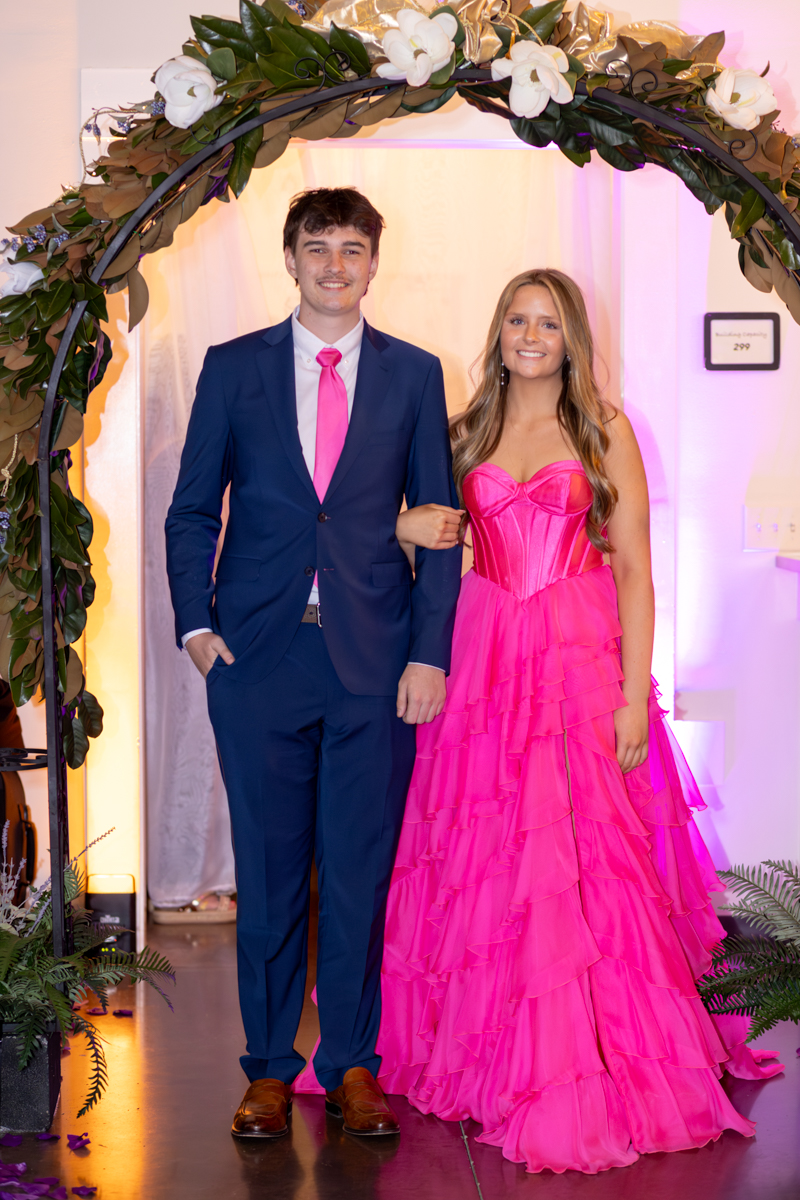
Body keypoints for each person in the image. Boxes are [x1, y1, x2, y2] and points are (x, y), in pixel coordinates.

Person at [372, 269, 782, 1173]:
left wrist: (635, 696)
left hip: (575, 655)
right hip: (483, 655)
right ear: (499, 330)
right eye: (516, 319)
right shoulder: (465, 429)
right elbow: (421, 530)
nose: (530, 335)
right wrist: (408, 527)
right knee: (486, 857)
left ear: (570, 339)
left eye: (547, 324)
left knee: (583, 858)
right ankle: (490, 1055)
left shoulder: (604, 429)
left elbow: (634, 569)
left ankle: (584, 1059)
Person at [165, 188, 462, 1140]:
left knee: (359, 873)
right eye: (317, 248)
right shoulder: (232, 368)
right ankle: (266, 1068)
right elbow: (190, 512)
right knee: (270, 867)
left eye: (352, 249)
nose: (335, 265)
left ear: (376, 261)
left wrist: (430, 653)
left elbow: (443, 528)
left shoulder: (416, 375)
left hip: (374, 662)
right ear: (289, 259)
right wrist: (194, 629)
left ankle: (352, 1065)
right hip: (257, 658)